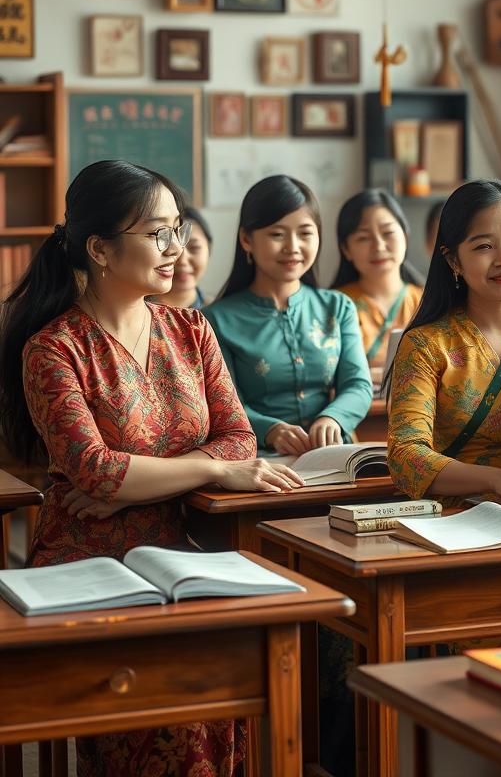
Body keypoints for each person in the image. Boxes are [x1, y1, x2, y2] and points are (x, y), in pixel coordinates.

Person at [0, 160, 301, 777]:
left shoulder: (191, 329)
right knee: (178, 718)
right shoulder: (53, 349)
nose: (178, 248)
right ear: (100, 249)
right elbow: (95, 473)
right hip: (89, 559)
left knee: (233, 676)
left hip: (188, 547)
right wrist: (210, 472)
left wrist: (136, 480)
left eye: (179, 229)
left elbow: (239, 437)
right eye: (157, 233)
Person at [387, 179, 501, 502]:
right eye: (483, 246)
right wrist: (497, 480)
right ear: (453, 260)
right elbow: (405, 457)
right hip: (456, 515)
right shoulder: (426, 344)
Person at [204, 175, 372, 455]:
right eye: (277, 234)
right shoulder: (215, 320)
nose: (292, 246)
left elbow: (358, 384)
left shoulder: (338, 307)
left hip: (335, 455)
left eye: (305, 233)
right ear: (246, 239)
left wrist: (333, 417)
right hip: (259, 461)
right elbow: (224, 404)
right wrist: (270, 429)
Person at [332, 190, 423, 374]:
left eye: (388, 232)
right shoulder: (333, 305)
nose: (379, 246)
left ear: (404, 237)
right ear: (346, 249)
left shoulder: (430, 301)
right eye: (363, 238)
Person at [152, 205, 212, 310]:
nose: (182, 260)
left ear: (209, 249)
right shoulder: (133, 318)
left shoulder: (217, 317)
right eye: (168, 247)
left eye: (194, 248)